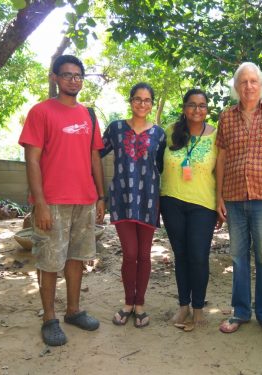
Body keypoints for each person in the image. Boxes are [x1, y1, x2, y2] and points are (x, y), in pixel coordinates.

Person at [19, 54, 105, 346]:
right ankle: (49, 318)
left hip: (84, 200)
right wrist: (40, 202)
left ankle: (73, 310)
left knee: (77, 258)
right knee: (49, 261)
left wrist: (101, 196)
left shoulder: (89, 115)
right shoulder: (41, 112)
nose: (73, 80)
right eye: (67, 75)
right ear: (55, 78)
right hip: (52, 201)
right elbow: (31, 159)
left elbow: (95, 157)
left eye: (78, 75)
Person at [216, 62, 262, 339]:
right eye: (243, 82)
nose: (248, 86)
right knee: (237, 257)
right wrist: (218, 195)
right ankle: (241, 311)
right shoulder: (226, 117)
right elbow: (221, 156)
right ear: (236, 87)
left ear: (261, 85)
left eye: (253, 81)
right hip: (233, 196)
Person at [101, 82, 166, 329]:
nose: (142, 104)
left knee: (144, 255)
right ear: (130, 101)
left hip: (149, 199)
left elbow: (162, 166)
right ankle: (128, 303)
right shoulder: (116, 129)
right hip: (122, 199)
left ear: (152, 103)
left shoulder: (160, 134)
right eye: (137, 99)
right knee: (129, 254)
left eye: (147, 100)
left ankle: (140, 304)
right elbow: (94, 152)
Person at [160, 89, 218, 331]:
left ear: (207, 109)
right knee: (181, 255)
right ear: (184, 108)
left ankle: (198, 308)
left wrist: (222, 203)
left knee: (198, 256)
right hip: (171, 200)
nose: (197, 110)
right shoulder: (170, 130)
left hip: (203, 204)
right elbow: (156, 164)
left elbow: (221, 172)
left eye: (202, 105)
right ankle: (183, 305)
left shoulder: (216, 135)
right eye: (192, 105)